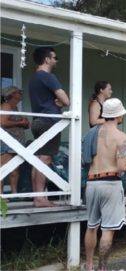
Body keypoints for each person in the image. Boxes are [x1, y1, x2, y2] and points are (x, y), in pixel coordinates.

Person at [83, 98, 126, 271]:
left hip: (92, 182)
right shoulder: (121, 137)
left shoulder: (92, 134)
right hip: (110, 184)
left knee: (91, 226)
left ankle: (88, 266)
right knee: (108, 229)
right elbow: (121, 167)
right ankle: (102, 269)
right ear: (118, 115)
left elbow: (85, 158)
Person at [28, 47, 70, 207]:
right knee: (45, 159)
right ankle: (40, 199)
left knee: (38, 159)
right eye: (55, 57)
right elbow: (66, 101)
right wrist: (62, 102)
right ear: (47, 59)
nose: (56, 60)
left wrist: (56, 101)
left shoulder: (34, 78)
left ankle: (36, 197)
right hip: (49, 123)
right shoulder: (48, 76)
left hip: (37, 121)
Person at [1, 87, 29, 195]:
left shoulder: (15, 108)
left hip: (16, 144)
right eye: (18, 92)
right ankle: (1, 196)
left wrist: (25, 123)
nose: (21, 93)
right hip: (7, 143)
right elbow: (2, 122)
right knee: (3, 169)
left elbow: (21, 124)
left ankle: (14, 194)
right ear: (12, 95)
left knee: (15, 171)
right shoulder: (6, 106)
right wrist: (20, 123)